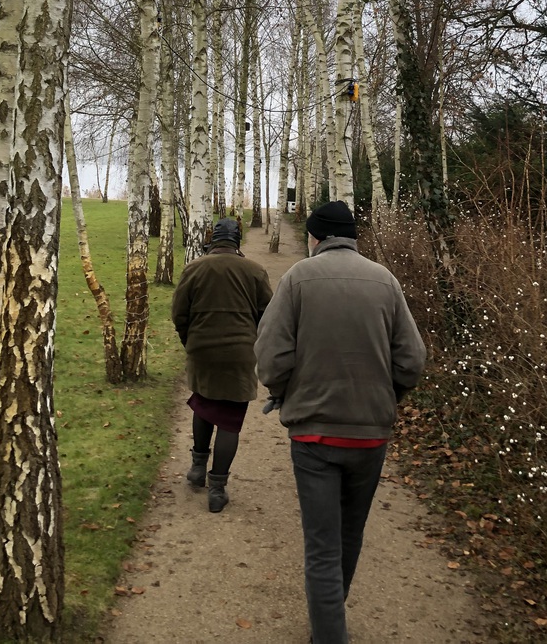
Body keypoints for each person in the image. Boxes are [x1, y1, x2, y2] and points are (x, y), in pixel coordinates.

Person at [254, 200, 426, 643]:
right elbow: (412, 360)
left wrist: (281, 391)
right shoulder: (386, 281)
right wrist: (388, 397)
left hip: (313, 435)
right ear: (352, 236)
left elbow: (271, 355)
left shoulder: (296, 279)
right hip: (371, 436)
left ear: (313, 237)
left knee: (322, 546)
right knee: (350, 533)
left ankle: (329, 633)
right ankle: (329, 621)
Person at [171, 216, 272, 512]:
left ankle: (197, 468)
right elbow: (268, 316)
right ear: (237, 241)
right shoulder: (255, 271)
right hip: (240, 353)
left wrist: (189, 342)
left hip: (202, 350)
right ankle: (217, 489)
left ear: (213, 240)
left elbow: (179, 313)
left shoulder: (194, 268)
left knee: (203, 403)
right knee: (229, 418)